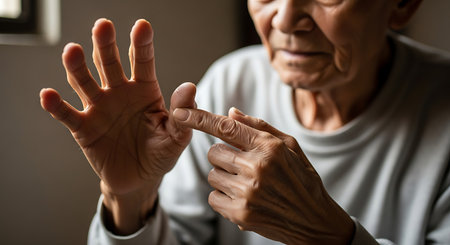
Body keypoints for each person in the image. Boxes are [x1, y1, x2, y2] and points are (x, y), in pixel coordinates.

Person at [40, 0, 450, 244]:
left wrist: (326, 234)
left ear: (403, 4)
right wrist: (129, 198)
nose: (286, 20)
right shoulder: (231, 82)